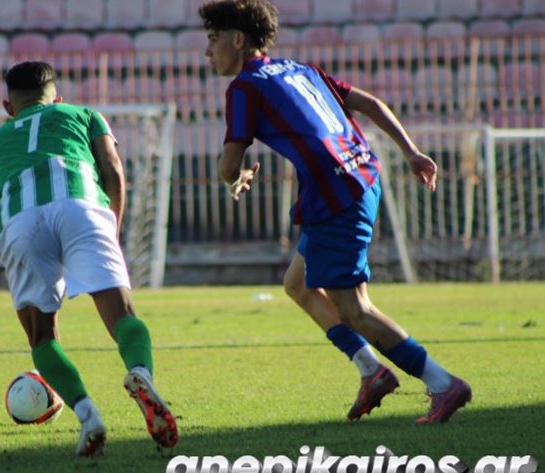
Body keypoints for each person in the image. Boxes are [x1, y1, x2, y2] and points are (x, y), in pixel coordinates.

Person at [199, 0, 471, 423]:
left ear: (237, 40)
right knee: (297, 284)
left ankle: (442, 383)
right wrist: (412, 152)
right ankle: (371, 370)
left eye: (213, 40)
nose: (207, 51)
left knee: (354, 309)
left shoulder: (244, 87)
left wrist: (235, 177)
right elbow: (371, 103)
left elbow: (228, 166)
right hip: (359, 176)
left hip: (336, 192)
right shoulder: (301, 69)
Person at [0, 61, 178, 456]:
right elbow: (114, 170)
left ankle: (88, 416)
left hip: (22, 223)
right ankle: (140, 373)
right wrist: (111, 227)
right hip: (82, 208)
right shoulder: (85, 115)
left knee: (42, 337)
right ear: (58, 98)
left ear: (8, 108)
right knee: (123, 315)